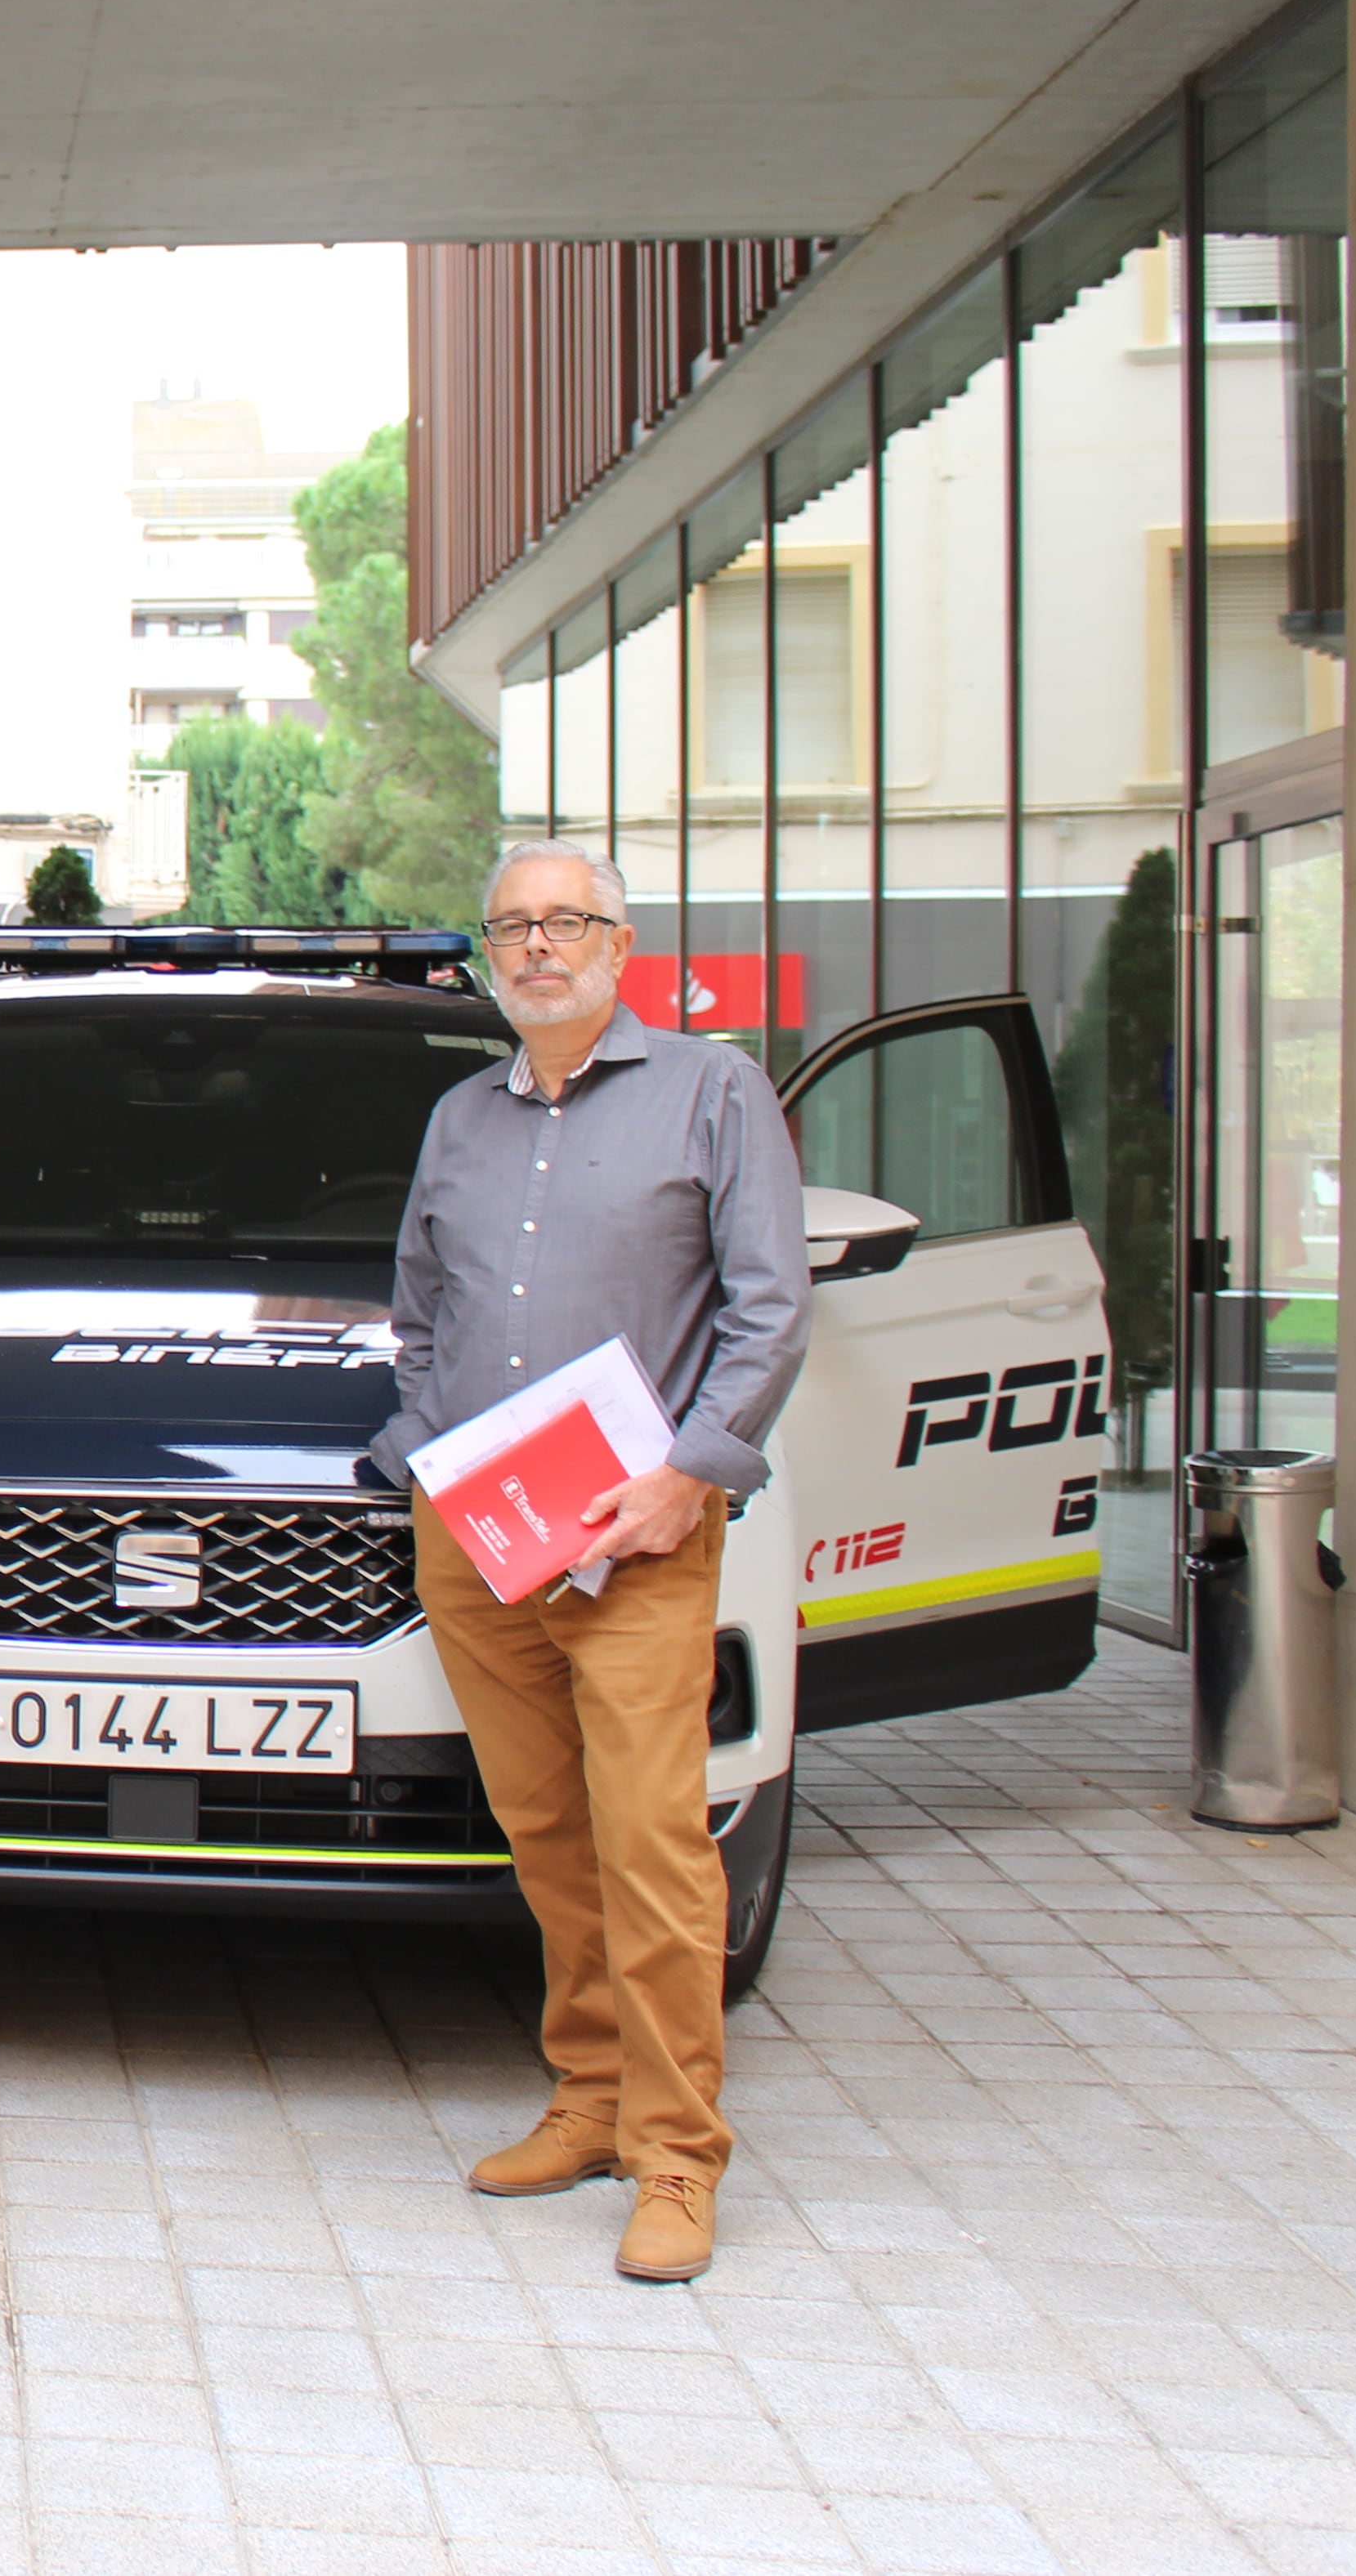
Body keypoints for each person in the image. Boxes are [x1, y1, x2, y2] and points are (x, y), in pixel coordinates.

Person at [377, 838, 808, 2283]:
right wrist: (427, 1449)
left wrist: (691, 1472)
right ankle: (594, 2097)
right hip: (482, 1537)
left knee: (653, 1840)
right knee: (548, 1833)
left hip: (637, 1532)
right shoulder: (458, 1118)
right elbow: (421, 1310)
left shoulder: (713, 1091)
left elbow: (769, 1308)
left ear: (621, 946)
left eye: (566, 922)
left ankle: (679, 2154)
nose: (538, 946)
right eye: (512, 926)